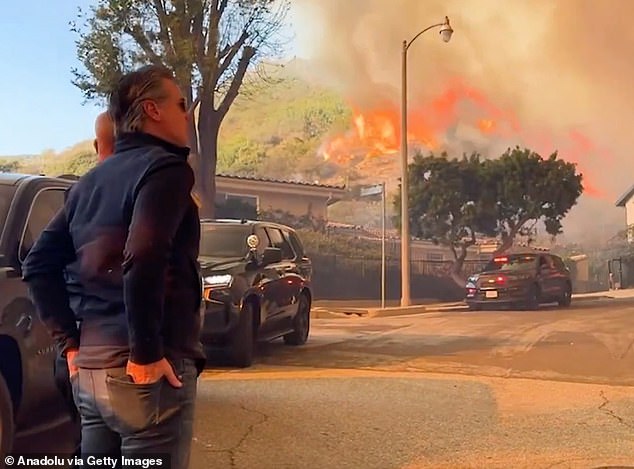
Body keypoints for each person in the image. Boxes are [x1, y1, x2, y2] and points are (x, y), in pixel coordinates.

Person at [22, 64, 206, 468]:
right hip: (143, 373)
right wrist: (144, 351)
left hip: (90, 368)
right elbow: (143, 254)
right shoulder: (165, 169)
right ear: (152, 110)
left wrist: (70, 345)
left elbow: (37, 263)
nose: (186, 113)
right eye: (180, 103)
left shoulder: (88, 182)